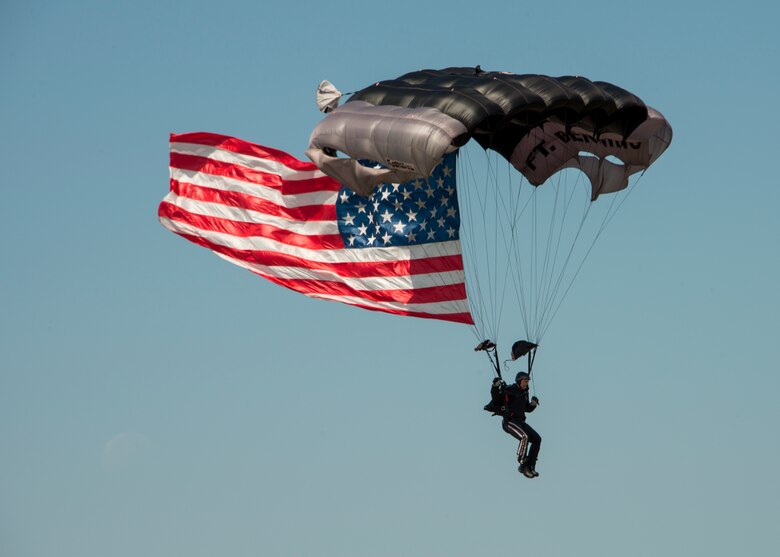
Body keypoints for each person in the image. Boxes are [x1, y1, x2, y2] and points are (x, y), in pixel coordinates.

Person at [496, 371, 541, 478]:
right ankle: (522, 464)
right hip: (510, 422)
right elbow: (496, 398)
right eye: (525, 381)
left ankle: (531, 466)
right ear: (519, 381)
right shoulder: (510, 390)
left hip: (520, 422)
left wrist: (533, 404)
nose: (526, 384)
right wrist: (495, 386)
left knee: (537, 439)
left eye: (527, 381)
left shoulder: (525, 392)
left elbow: (526, 408)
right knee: (524, 437)